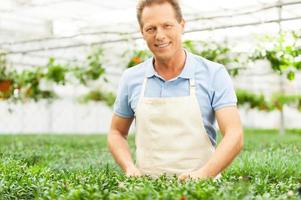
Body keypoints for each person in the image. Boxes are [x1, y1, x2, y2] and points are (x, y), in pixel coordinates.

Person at [108, 0, 243, 181]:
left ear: (182, 25)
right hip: (146, 190)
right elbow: (116, 132)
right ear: (142, 33)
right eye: (151, 29)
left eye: (167, 26)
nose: (159, 35)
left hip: (202, 189)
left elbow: (234, 134)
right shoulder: (131, 77)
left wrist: (203, 175)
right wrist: (130, 168)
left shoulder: (214, 73)